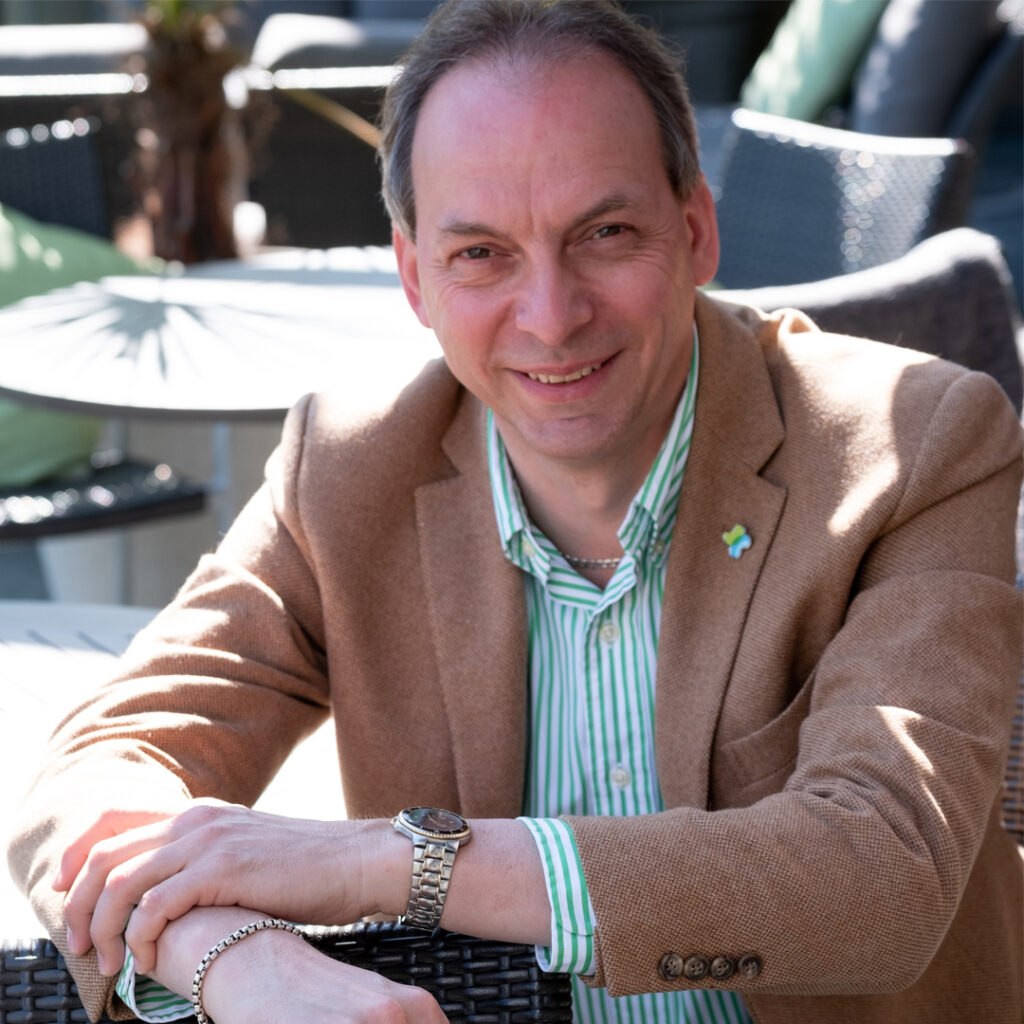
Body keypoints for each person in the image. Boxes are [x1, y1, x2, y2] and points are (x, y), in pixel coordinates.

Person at [9, 1, 1023, 1022]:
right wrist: (244, 962)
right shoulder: (353, 468)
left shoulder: (918, 448)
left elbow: (879, 872)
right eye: (481, 254)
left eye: (605, 232)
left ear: (695, 228)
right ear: (414, 276)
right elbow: (95, 774)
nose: (551, 313)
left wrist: (393, 862)